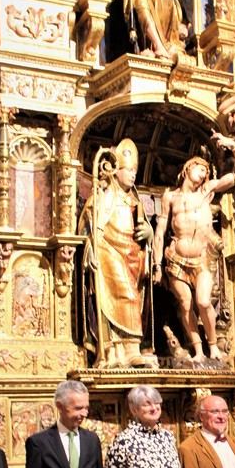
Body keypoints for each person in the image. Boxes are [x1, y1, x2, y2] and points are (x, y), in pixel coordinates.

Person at [153, 133, 235, 361]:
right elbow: (160, 231)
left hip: (202, 259)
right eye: (200, 168)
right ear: (187, 169)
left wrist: (234, 148)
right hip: (175, 258)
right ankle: (197, 350)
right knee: (185, 304)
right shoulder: (170, 197)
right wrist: (156, 264)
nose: (204, 173)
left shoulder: (207, 192)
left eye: (206, 171)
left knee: (203, 301)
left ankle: (213, 345)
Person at [78, 138, 157, 369]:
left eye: (135, 171)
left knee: (132, 298)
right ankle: (113, 352)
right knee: (117, 298)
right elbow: (88, 227)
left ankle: (131, 350)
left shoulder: (135, 203)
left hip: (131, 256)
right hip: (107, 252)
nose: (133, 175)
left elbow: (142, 230)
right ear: (115, 171)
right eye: (128, 170)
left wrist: (149, 236)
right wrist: (90, 247)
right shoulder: (102, 198)